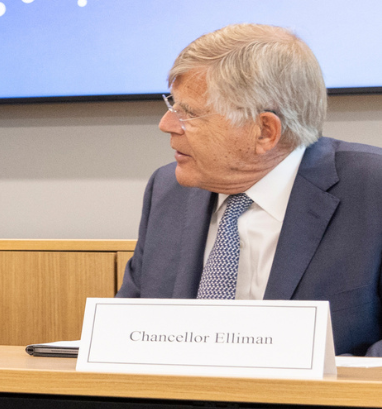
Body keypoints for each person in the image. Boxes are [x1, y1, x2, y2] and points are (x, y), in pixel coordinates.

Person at [119, 24, 382, 356]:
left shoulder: (372, 188)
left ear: (264, 132)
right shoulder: (167, 189)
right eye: (172, 104)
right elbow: (127, 328)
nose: (166, 124)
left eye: (189, 113)